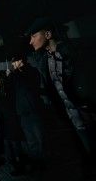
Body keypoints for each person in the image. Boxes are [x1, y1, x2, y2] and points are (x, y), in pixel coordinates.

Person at [26, 17, 95, 157]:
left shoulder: (73, 53)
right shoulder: (44, 60)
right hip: (72, 119)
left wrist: (87, 104)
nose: (31, 41)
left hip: (89, 112)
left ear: (47, 34)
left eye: (34, 36)